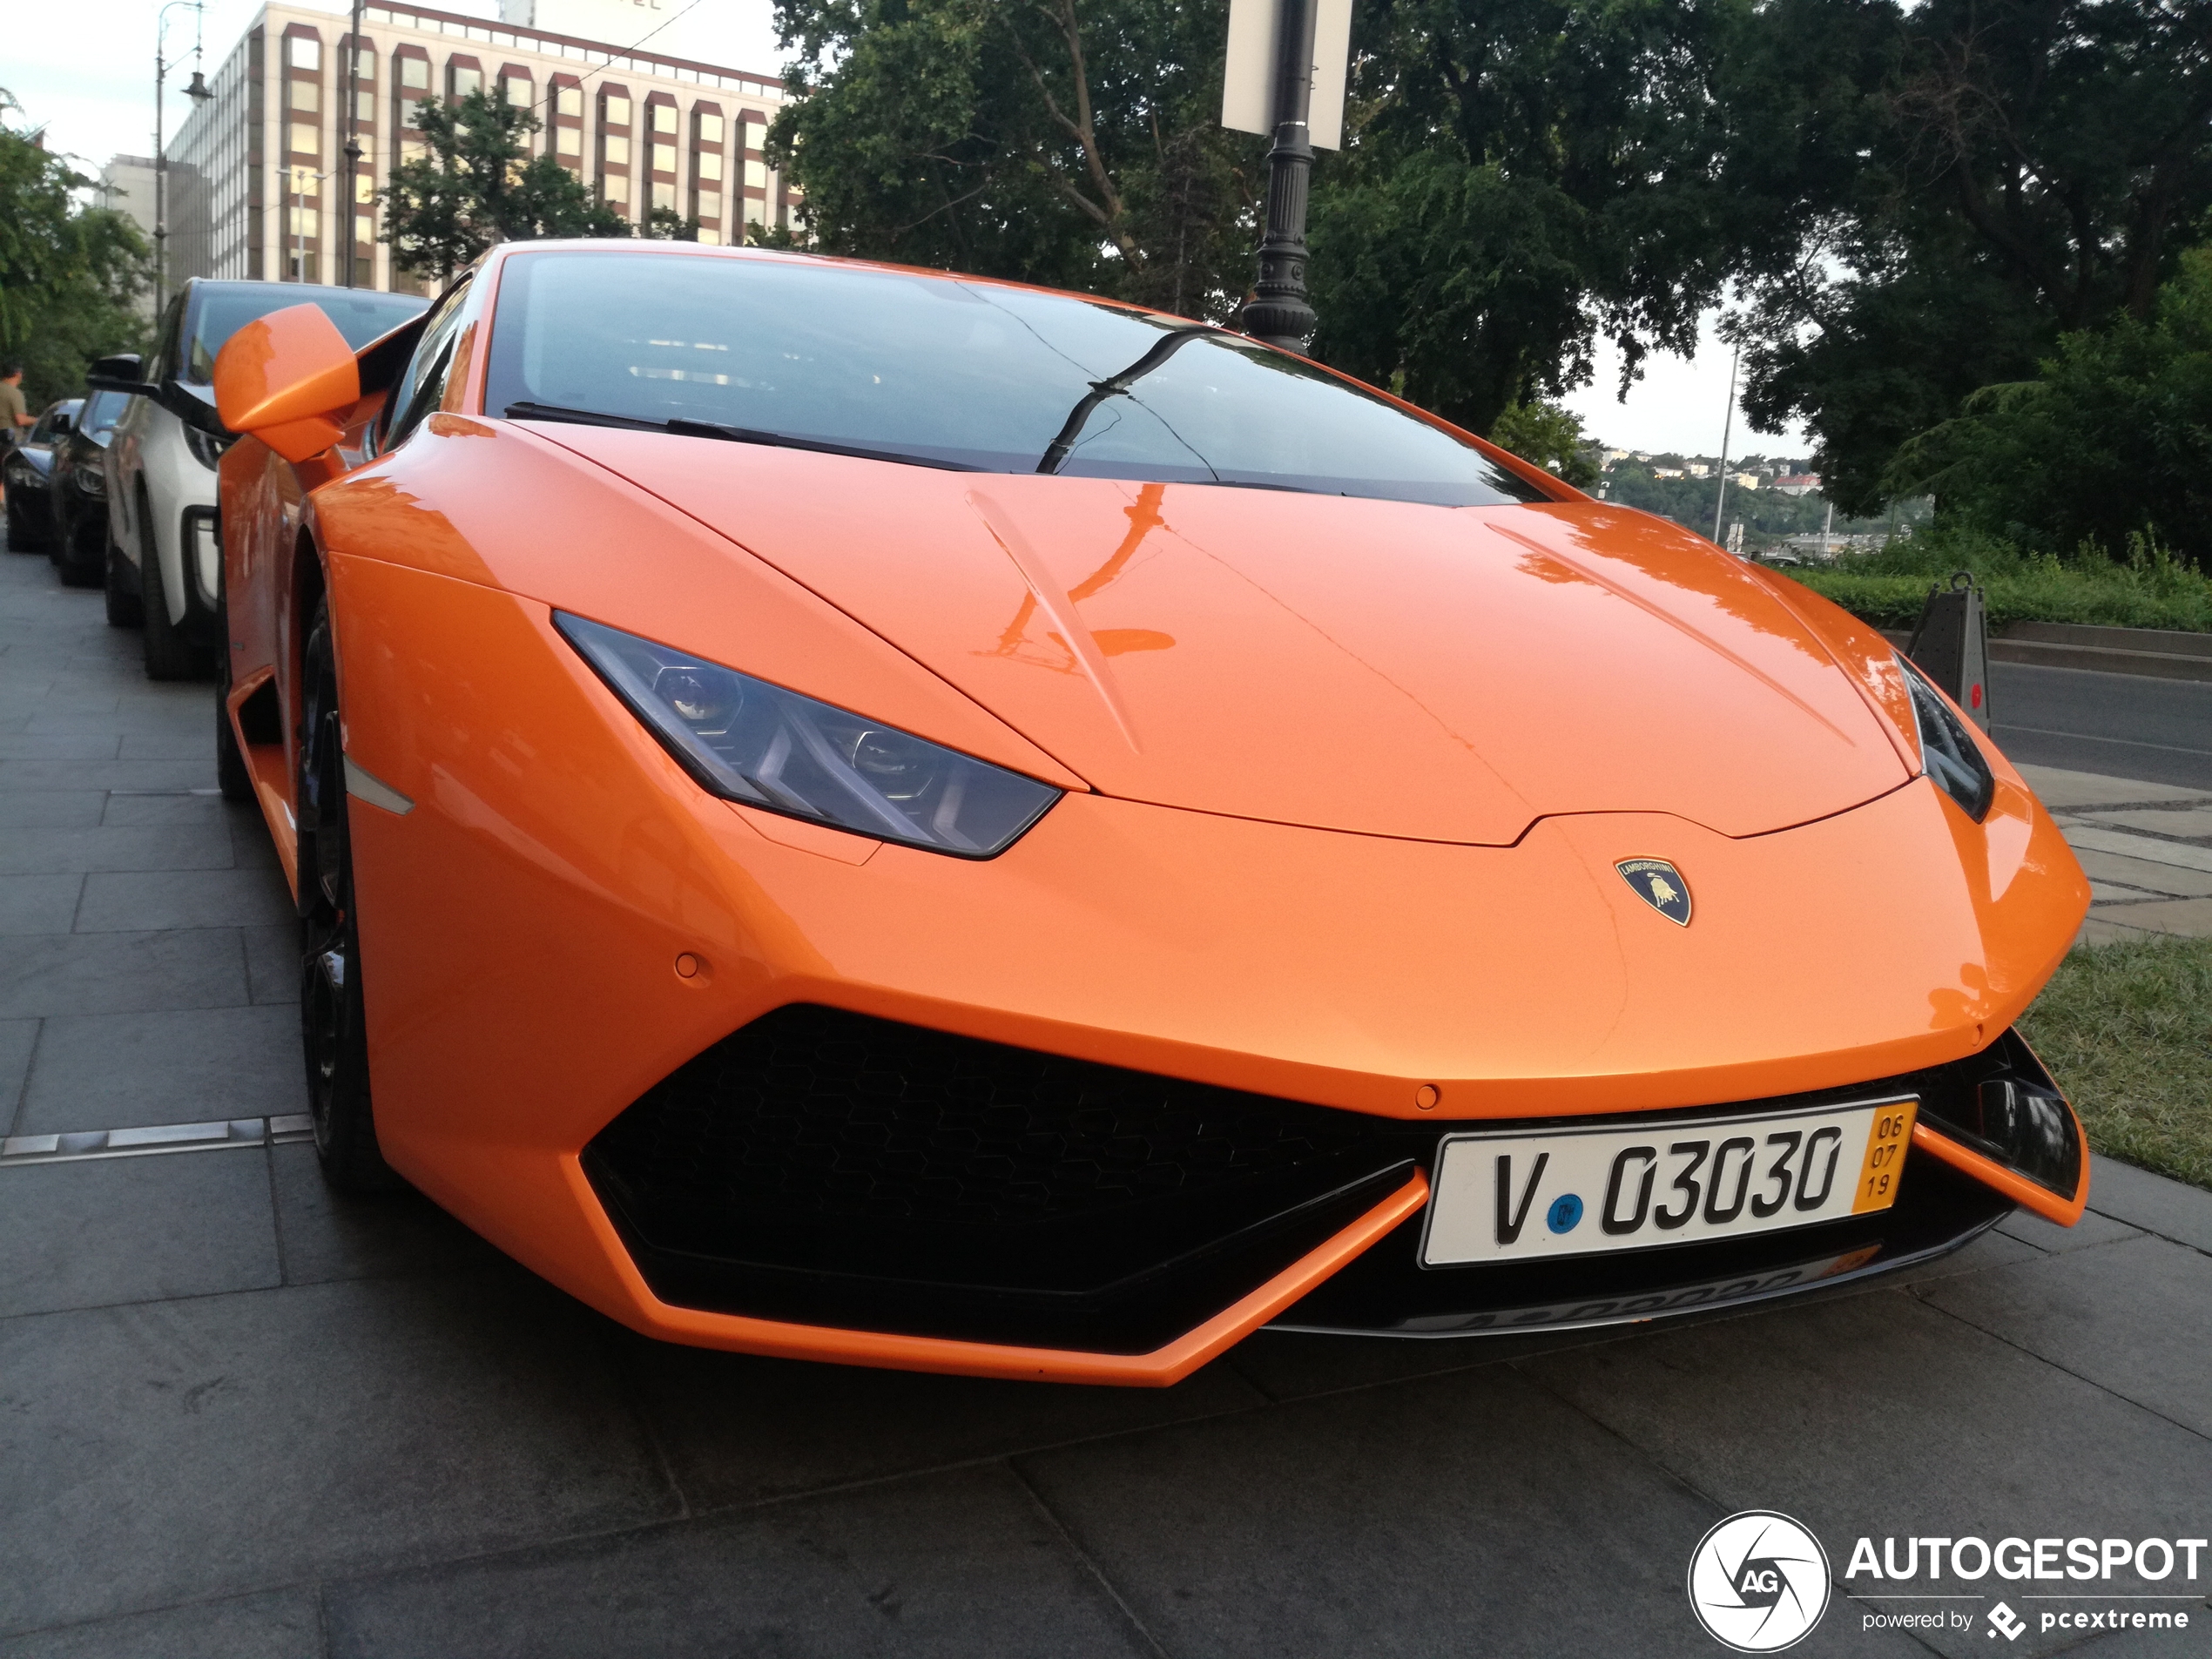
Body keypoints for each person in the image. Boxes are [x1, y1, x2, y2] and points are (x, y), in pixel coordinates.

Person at [0, 365, 32, 509]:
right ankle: (3, 503)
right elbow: (21, 420)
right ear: (18, 374)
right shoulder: (14, 393)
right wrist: (42, 420)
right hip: (8, 437)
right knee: (6, 471)